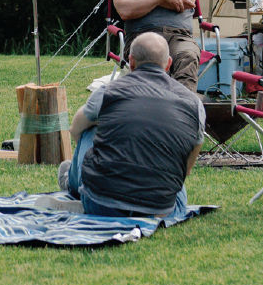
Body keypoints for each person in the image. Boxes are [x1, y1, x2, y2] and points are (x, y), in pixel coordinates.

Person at [63, 31, 205, 221]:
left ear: (131, 62)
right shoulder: (194, 104)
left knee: (90, 128)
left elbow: (75, 129)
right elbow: (186, 169)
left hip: (102, 204)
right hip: (162, 210)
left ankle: (72, 181)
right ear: (169, 63)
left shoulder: (108, 92)